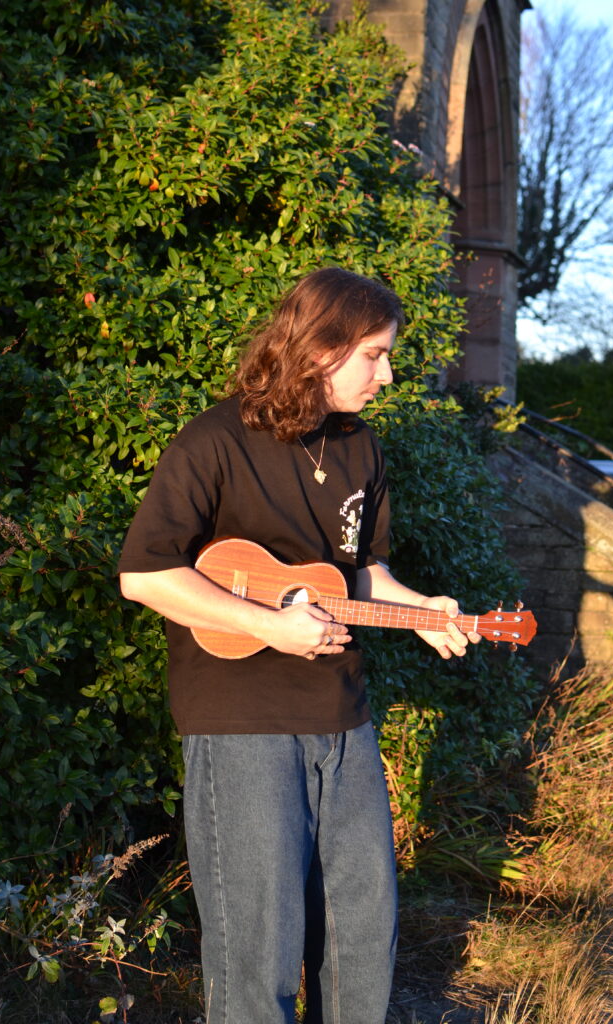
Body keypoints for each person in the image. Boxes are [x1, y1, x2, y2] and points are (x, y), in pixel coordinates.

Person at [118, 267, 480, 1024]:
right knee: (260, 946)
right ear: (321, 348)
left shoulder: (358, 447)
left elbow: (361, 573)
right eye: (374, 355)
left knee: (360, 932)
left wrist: (426, 610)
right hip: (239, 722)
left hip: (342, 717)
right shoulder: (213, 440)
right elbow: (145, 575)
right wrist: (267, 624)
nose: (386, 373)